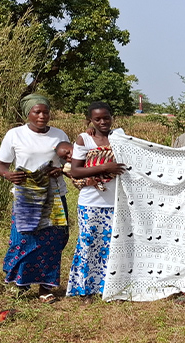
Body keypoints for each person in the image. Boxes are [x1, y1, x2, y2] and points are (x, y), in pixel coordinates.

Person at [0, 94, 71, 303]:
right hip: (26, 197)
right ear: (27, 113)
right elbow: (0, 164)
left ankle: (45, 288)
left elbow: (71, 161)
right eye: (37, 112)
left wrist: (61, 169)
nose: (42, 116)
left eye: (45, 111)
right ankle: (20, 283)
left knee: (54, 241)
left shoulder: (59, 134)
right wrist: (8, 175)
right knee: (23, 240)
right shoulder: (15, 134)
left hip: (53, 196)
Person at [64, 102, 126, 300]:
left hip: (116, 201)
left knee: (112, 245)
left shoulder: (119, 136)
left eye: (106, 117)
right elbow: (75, 170)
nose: (102, 122)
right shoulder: (85, 139)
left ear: (112, 117)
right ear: (90, 120)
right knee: (88, 244)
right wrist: (105, 168)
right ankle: (84, 290)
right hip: (91, 202)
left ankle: (109, 287)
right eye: (97, 119)